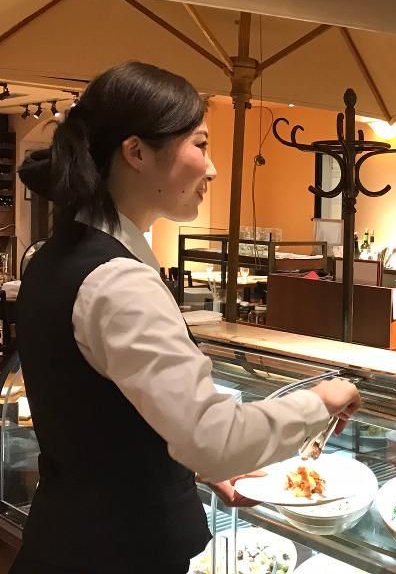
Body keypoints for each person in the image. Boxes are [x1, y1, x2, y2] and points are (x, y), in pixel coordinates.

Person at [12, 62, 361, 574]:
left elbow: (104, 418)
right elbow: (213, 438)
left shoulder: (53, 255)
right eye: (200, 144)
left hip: (63, 542)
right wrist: (321, 401)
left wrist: (182, 468)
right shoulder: (118, 281)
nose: (212, 169)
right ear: (136, 153)